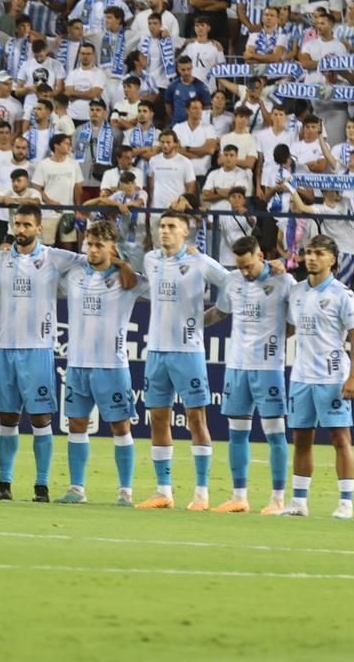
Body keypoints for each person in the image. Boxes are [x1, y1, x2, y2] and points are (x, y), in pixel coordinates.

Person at [0, 205, 120, 503]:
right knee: (7, 418)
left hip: (39, 349)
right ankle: (4, 484)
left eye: (27, 224)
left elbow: (97, 259)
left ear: (39, 228)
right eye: (17, 224)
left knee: (41, 418)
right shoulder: (0, 259)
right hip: (3, 347)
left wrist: (123, 259)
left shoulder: (55, 257)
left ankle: (41, 487)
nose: (20, 229)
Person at [137, 212, 231, 511]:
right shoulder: (150, 260)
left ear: (185, 232)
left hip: (188, 352)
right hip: (156, 351)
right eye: (162, 226)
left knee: (196, 419)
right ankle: (164, 491)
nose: (164, 231)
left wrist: (213, 316)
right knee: (159, 420)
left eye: (171, 227)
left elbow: (231, 284)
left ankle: (202, 492)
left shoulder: (199, 261)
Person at [56, 220, 148, 505]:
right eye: (89, 244)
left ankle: (125, 492)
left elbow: (159, 285)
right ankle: (77, 489)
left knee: (120, 427)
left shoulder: (128, 280)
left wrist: (123, 265)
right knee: (77, 424)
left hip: (112, 366)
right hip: (77, 365)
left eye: (99, 245)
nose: (92, 250)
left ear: (112, 247)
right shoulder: (73, 275)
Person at [206, 235, 295, 515]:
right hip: (236, 366)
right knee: (237, 434)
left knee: (275, 434)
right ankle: (239, 497)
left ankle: (278, 498)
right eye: (240, 267)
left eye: (248, 266)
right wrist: (190, 322)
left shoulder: (284, 282)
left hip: (268, 369)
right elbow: (220, 313)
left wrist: (273, 339)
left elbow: (292, 325)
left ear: (261, 256)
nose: (245, 272)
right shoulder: (233, 281)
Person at [282, 235, 354, 520]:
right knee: (301, 438)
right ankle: (299, 502)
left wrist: (353, 376)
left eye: (318, 253)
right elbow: (290, 329)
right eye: (308, 252)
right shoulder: (296, 292)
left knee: (340, 438)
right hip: (301, 377)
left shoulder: (343, 295)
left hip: (332, 378)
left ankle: (345, 503)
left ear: (333, 259)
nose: (312, 258)